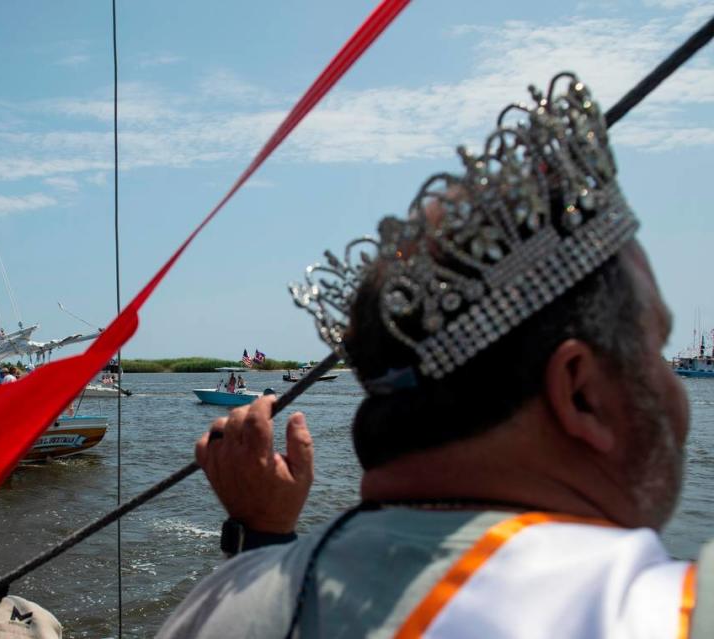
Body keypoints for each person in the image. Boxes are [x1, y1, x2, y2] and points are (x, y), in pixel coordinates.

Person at [159, 76, 711, 637]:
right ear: (580, 392)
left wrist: (265, 540)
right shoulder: (670, 615)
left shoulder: (214, 612)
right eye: (657, 350)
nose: (675, 391)